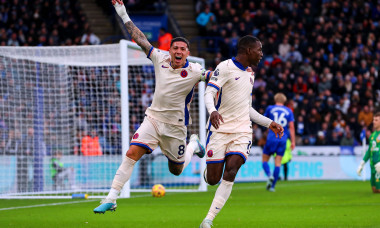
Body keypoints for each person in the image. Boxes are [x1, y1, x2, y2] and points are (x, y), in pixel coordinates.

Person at [94, 0, 213, 214]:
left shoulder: (195, 71)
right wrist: (123, 13)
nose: (178, 51)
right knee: (131, 153)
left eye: (182, 49)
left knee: (176, 170)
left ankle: (193, 145)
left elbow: (212, 77)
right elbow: (139, 38)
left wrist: (231, 75)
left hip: (176, 127)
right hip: (153, 119)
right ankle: (112, 197)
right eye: (175, 48)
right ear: (170, 50)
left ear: (187, 53)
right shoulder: (160, 58)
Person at [199, 35, 284, 228]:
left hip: (242, 131)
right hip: (219, 129)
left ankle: (208, 219)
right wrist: (212, 111)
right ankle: (203, 157)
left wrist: (268, 122)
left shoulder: (250, 73)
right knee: (213, 180)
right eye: (259, 50)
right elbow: (209, 93)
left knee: (232, 170)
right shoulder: (225, 67)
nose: (261, 54)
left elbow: (246, 107)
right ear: (248, 51)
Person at [262, 93, 295, 192]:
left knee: (265, 160)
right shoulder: (289, 111)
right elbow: (292, 127)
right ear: (284, 101)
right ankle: (272, 187)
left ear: (275, 99)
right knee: (278, 163)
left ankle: (269, 175)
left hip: (271, 137)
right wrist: (293, 141)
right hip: (283, 139)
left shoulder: (270, 108)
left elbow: (263, 121)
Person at [357, 112, 380, 193]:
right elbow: (369, 151)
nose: (374, 121)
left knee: (378, 189)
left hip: (379, 166)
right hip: (372, 166)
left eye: (376, 120)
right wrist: (362, 163)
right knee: (374, 190)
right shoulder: (372, 135)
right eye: (374, 120)